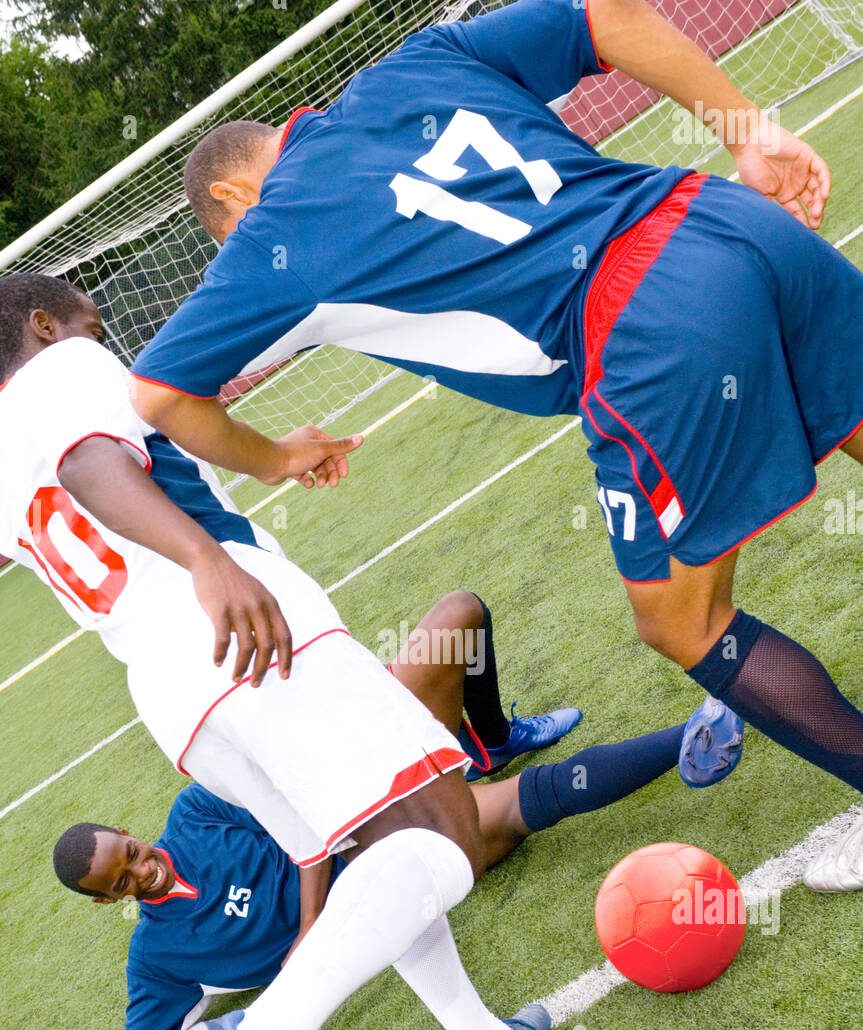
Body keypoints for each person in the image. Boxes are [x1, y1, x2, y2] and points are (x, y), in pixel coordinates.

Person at [129, 0, 863, 847]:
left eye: (228, 232)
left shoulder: (268, 238)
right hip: (719, 217)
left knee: (680, 620)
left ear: (232, 194)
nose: (237, 248)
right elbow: (608, 14)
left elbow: (159, 396)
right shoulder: (414, 61)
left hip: (641, 327)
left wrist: (271, 460)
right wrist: (747, 130)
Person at [0, 275, 568, 1030]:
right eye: (92, 321)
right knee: (441, 838)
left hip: (170, 690)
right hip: (240, 630)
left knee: (367, 852)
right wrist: (209, 560)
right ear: (44, 323)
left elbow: (122, 460)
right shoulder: (63, 366)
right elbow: (95, 465)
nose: (105, 336)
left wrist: (267, 460)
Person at [52, 587, 742, 1030]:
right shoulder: (160, 954)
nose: (140, 872)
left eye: (132, 854)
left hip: (361, 786)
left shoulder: (193, 813)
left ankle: (492, 738)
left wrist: (305, 927)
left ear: (128, 832)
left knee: (457, 617)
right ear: (107, 901)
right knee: (520, 805)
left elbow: (296, 818)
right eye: (122, 882)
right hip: (403, 865)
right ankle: (702, 730)